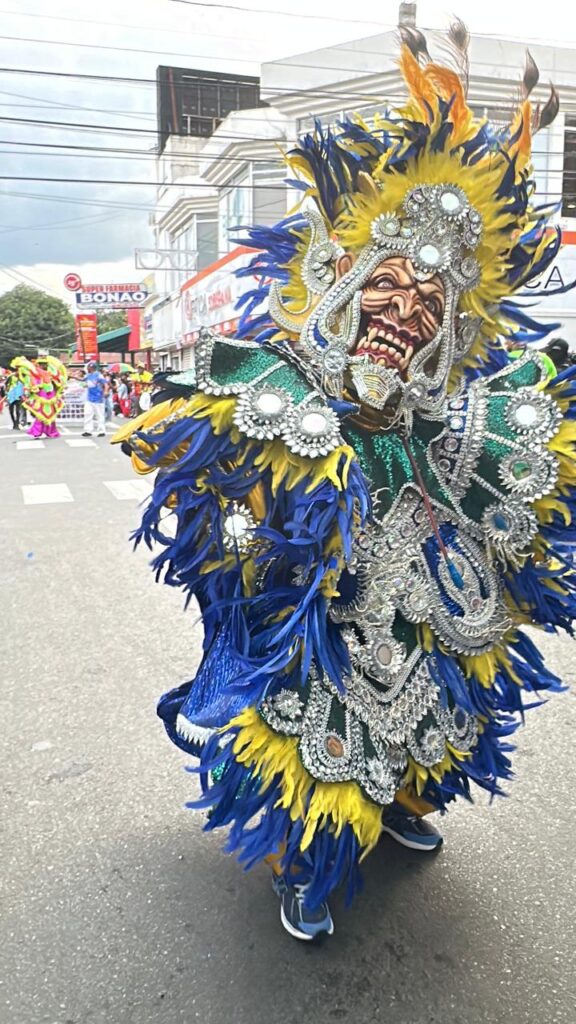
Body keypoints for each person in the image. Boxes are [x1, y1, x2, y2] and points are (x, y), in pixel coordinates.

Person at [114, 29, 576, 941]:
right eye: (392, 289)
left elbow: (511, 500)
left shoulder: (442, 415)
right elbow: (206, 513)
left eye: (429, 306)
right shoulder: (275, 388)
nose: (405, 314)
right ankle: (307, 861)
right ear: (348, 282)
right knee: (307, 741)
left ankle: (401, 798)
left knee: (439, 703)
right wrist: (267, 547)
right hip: (311, 617)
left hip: (414, 599)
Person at [82, 360, 106, 437]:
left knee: (99, 415)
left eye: (88, 367)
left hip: (98, 398)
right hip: (89, 398)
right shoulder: (88, 375)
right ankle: (88, 430)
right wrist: (72, 377)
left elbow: (106, 384)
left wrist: (106, 392)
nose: (87, 368)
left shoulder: (99, 375)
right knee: (87, 414)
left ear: (92, 368)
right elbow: (82, 379)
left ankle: (101, 431)